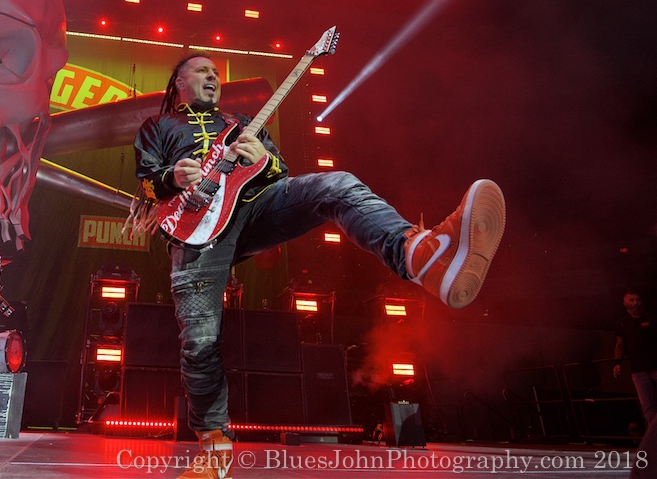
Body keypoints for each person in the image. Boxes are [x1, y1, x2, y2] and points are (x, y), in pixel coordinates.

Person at [130, 54, 506, 479]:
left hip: (251, 211)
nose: (213, 76)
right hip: (195, 230)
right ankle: (214, 452)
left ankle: (420, 255)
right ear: (179, 81)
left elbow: (281, 174)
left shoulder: (242, 122)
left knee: (337, 184)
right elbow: (145, 180)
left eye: (217, 72)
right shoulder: (157, 127)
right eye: (203, 71)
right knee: (199, 340)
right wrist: (171, 177)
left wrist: (264, 161)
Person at [614, 289, 657, 428]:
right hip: (638, 370)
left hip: (656, 365)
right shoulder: (623, 322)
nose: (635, 303)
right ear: (625, 303)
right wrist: (617, 363)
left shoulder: (652, 319)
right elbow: (620, 344)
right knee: (648, 407)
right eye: (631, 300)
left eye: (637, 299)